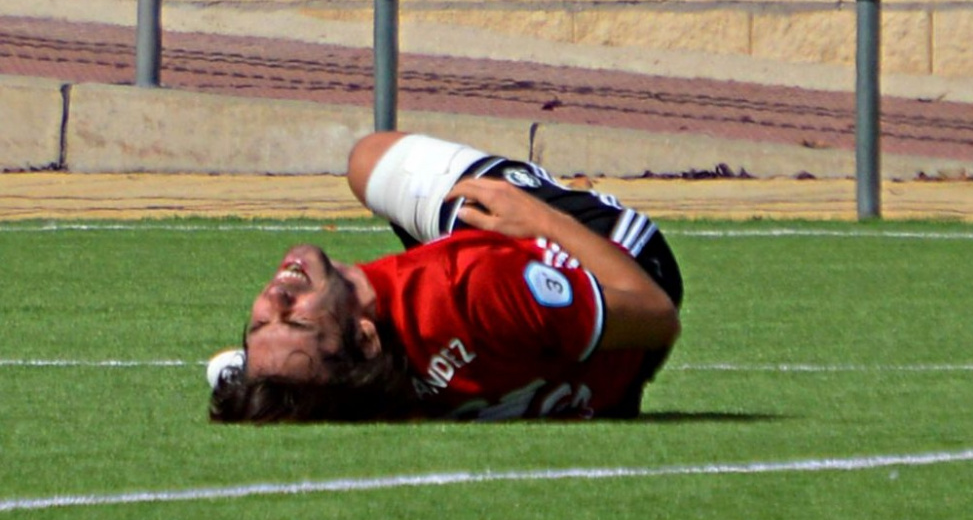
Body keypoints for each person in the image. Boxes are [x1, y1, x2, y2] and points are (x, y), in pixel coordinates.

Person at [208, 132, 683, 423]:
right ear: (368, 337)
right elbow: (657, 314)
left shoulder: (345, 391)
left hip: (529, 346)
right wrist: (539, 220)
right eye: (295, 322)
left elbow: (255, 375)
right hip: (626, 267)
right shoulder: (474, 290)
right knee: (370, 160)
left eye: (260, 325)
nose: (276, 300)